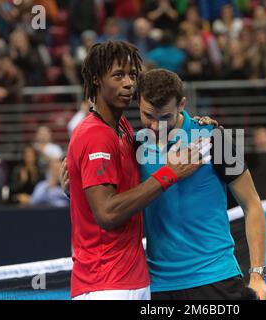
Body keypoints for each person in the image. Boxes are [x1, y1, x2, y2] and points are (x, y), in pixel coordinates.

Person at [66, 41, 207, 300]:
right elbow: (107, 213)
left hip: (134, 280)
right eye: (118, 75)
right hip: (104, 286)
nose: (129, 83)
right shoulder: (95, 135)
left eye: (132, 75)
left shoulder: (124, 129)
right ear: (96, 80)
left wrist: (195, 123)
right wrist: (170, 173)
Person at [136, 69, 266, 300]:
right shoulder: (134, 144)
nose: (156, 126)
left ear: (182, 105)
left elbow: (252, 205)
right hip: (159, 286)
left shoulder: (214, 138)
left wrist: (258, 275)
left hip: (216, 280)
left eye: (164, 117)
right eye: (148, 115)